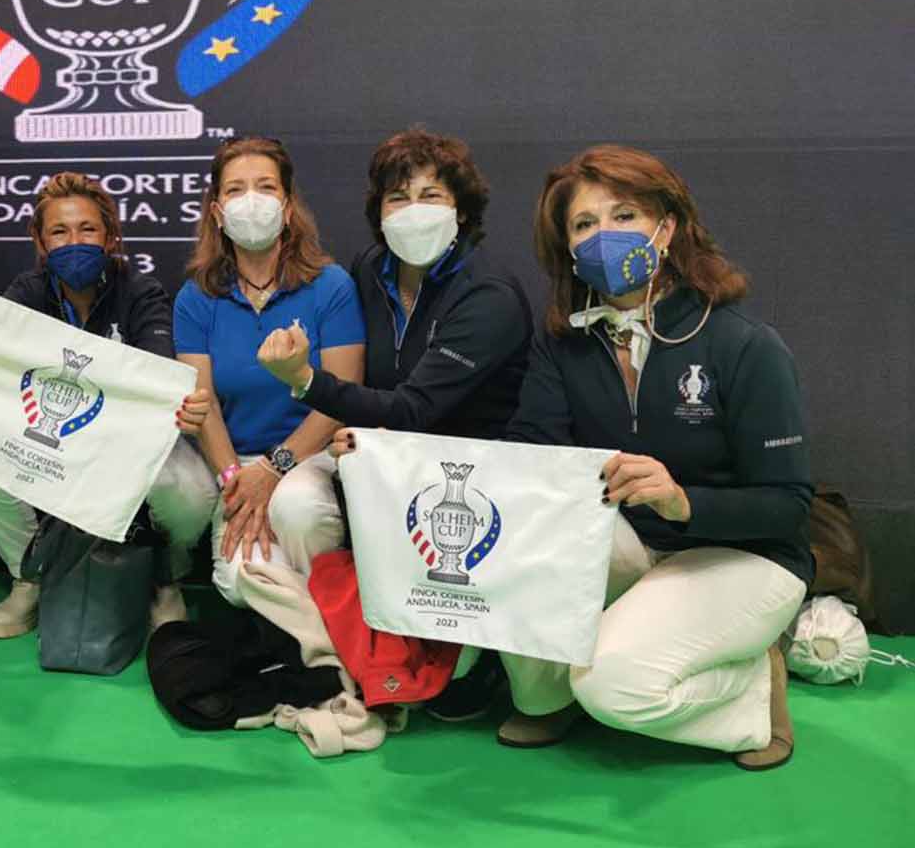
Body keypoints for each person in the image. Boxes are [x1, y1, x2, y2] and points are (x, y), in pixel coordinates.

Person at [494, 145, 812, 770]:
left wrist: (682, 499)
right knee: (513, 530)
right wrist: (388, 453)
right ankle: (548, 696)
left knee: (611, 686)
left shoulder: (743, 344)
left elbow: (787, 507)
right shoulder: (564, 344)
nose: (604, 237)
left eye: (625, 215)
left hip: (745, 556)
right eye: (585, 225)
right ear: (567, 247)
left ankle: (752, 694)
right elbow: (532, 449)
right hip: (634, 545)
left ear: (667, 228)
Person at [256, 128, 532, 719]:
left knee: (453, 677)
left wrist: (305, 381)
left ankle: (464, 656)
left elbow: (414, 409)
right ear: (378, 213)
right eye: (397, 198)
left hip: (470, 477)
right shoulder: (369, 270)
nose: (413, 213)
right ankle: (339, 653)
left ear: (462, 209)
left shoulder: (490, 296)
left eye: (431, 197)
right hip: (377, 459)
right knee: (295, 504)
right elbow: (369, 382)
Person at [0, 172, 214, 636]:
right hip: (52, 438)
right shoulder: (25, 296)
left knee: (192, 491)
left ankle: (164, 578)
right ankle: (28, 576)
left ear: (111, 236)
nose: (75, 242)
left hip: (122, 441)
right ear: (39, 239)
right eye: (59, 231)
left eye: (88, 230)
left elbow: (158, 378)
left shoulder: (141, 292)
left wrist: (180, 403)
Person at [173, 136, 366, 607]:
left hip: (309, 455)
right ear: (218, 212)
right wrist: (236, 482)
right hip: (232, 461)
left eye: (265, 186)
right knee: (240, 581)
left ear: (286, 204)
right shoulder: (195, 299)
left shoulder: (331, 286)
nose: (251, 200)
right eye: (236, 190)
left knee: (300, 511)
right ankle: (317, 632)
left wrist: (274, 469)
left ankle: (314, 632)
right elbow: (205, 408)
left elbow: (341, 397)